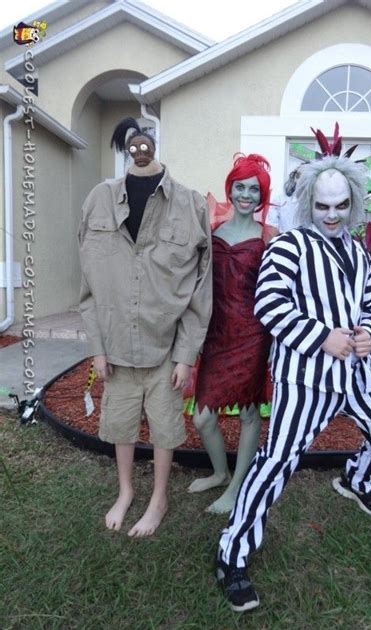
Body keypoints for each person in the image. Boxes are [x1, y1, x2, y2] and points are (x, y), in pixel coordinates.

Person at [215, 126, 371, 611]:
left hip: (358, 371)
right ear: (308, 202)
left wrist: (367, 330)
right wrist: (322, 337)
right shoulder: (289, 246)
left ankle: (356, 480)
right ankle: (231, 552)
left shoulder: (358, 252)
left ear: (352, 204)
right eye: (323, 205)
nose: (331, 214)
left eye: (340, 205)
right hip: (305, 377)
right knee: (277, 462)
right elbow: (270, 305)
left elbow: (367, 304)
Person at [78, 117, 212, 537]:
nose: (140, 149)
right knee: (119, 427)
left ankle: (158, 498)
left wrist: (186, 356)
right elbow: (88, 285)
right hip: (116, 350)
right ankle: (125, 491)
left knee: (165, 431)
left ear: (154, 145)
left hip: (165, 350)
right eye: (133, 145)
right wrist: (98, 348)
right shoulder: (99, 200)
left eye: (146, 142)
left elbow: (200, 287)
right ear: (126, 149)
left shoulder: (190, 205)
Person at [187, 154, 273, 514]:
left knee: (250, 414)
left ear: (261, 197)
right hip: (217, 335)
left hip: (253, 336)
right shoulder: (212, 231)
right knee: (202, 416)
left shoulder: (270, 237)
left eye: (254, 189)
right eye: (241, 187)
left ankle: (237, 487)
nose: (246, 195)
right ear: (231, 188)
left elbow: (281, 291)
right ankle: (220, 472)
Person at [267, 161, 309, 232]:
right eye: (299, 176)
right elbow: (272, 230)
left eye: (307, 177)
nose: (302, 181)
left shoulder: (318, 204)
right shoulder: (279, 201)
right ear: (295, 178)